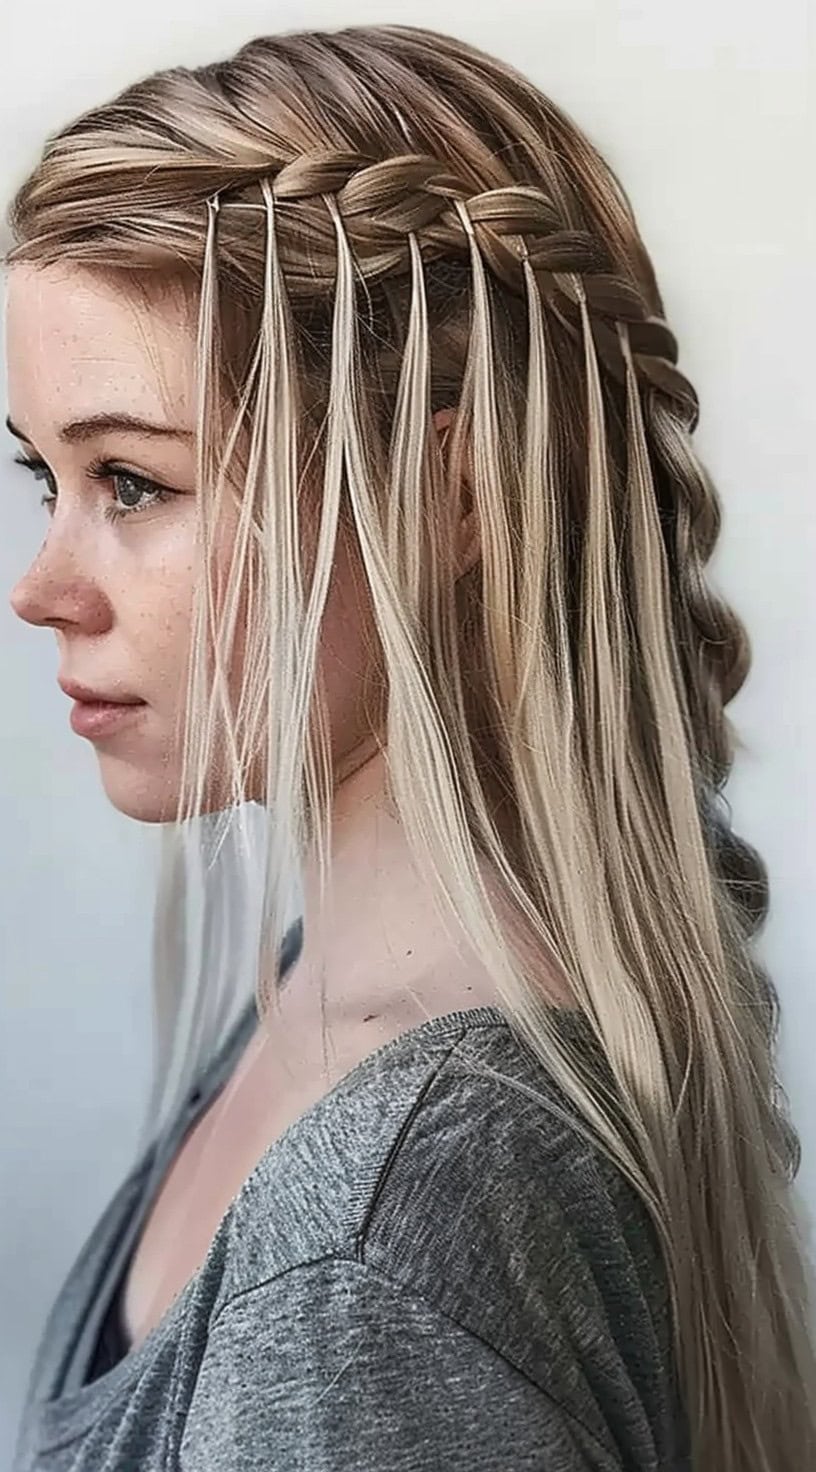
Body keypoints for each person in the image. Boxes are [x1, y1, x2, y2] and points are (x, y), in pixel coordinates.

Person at [4, 22, 815, 1472]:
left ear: (454, 496)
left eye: (132, 479)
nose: (41, 586)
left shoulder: (386, 1239)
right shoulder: (349, 1009)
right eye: (40, 475)